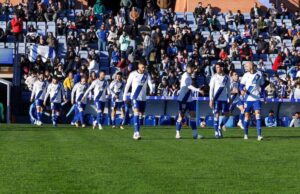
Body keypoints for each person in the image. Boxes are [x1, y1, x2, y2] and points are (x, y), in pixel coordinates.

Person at [123, 59, 154, 140]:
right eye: (142, 67)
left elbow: (150, 83)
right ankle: (137, 133)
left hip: (143, 98)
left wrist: (152, 89)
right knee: (136, 113)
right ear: (139, 66)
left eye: (145, 67)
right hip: (135, 97)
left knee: (141, 115)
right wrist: (124, 96)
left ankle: (136, 132)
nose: (144, 69)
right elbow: (127, 85)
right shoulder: (133, 74)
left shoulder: (147, 75)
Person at [175, 63, 203, 139]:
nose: (192, 69)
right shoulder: (186, 76)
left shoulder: (189, 76)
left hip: (189, 98)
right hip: (183, 99)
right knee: (181, 116)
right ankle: (177, 133)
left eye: (193, 68)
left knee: (193, 115)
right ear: (187, 68)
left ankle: (195, 134)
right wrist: (198, 90)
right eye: (191, 68)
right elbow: (188, 86)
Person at [240, 62, 265, 141]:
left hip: (256, 99)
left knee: (258, 115)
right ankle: (245, 134)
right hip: (247, 99)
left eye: (247, 66)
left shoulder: (259, 74)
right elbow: (241, 85)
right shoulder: (245, 75)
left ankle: (259, 135)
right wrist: (241, 91)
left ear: (251, 66)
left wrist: (264, 96)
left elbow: (262, 86)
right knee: (247, 116)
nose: (245, 67)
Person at [209, 63, 231, 139]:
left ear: (222, 68)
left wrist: (230, 97)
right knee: (216, 115)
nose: (217, 69)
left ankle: (220, 126)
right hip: (216, 99)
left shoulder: (227, 77)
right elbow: (211, 89)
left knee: (227, 115)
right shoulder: (214, 77)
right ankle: (216, 132)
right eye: (216, 67)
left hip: (224, 99)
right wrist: (211, 99)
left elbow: (228, 88)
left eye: (218, 67)